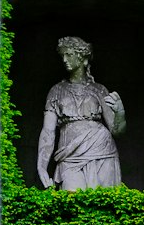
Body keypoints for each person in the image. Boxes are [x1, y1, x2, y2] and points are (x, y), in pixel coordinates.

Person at [37, 36, 125, 191]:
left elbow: (116, 131)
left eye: (69, 55)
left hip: (102, 150)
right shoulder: (56, 91)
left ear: (82, 58)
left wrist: (120, 113)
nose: (64, 59)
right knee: (72, 201)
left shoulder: (99, 89)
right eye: (62, 55)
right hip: (69, 155)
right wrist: (41, 166)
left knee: (105, 205)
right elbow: (48, 132)